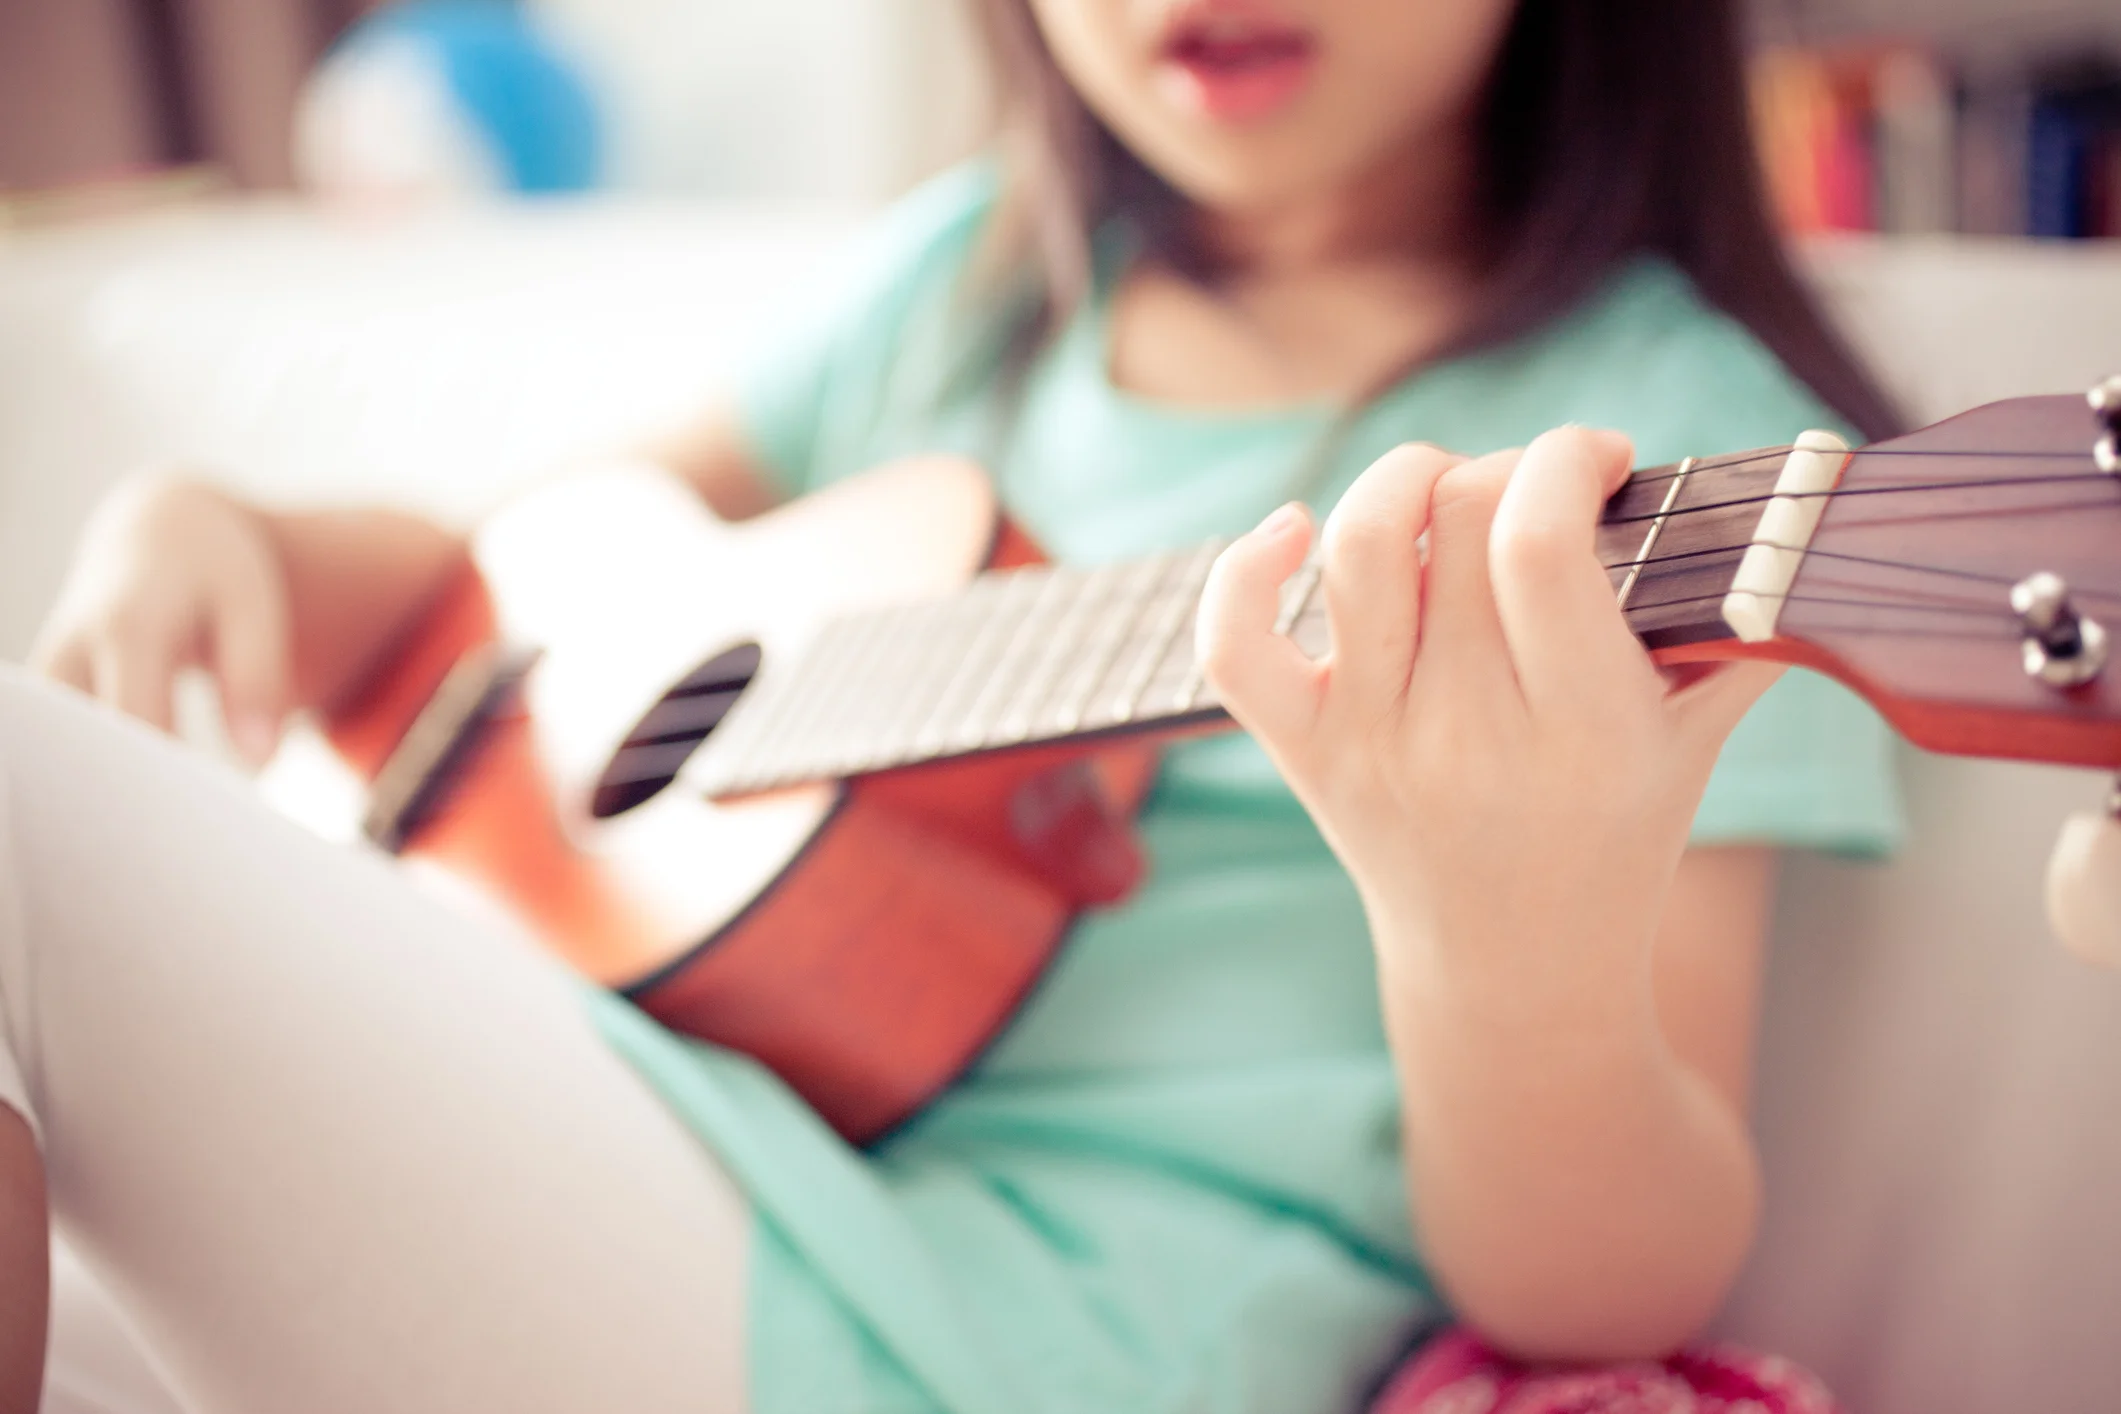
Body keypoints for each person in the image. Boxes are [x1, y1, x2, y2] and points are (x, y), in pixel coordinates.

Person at [2, 1, 1903, 1411]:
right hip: (660, 1131)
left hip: (1027, 1342)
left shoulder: (1665, 468)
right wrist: (233, 530)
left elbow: (1610, 1280)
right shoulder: (972, 289)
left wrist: (1500, 932)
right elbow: (518, 585)